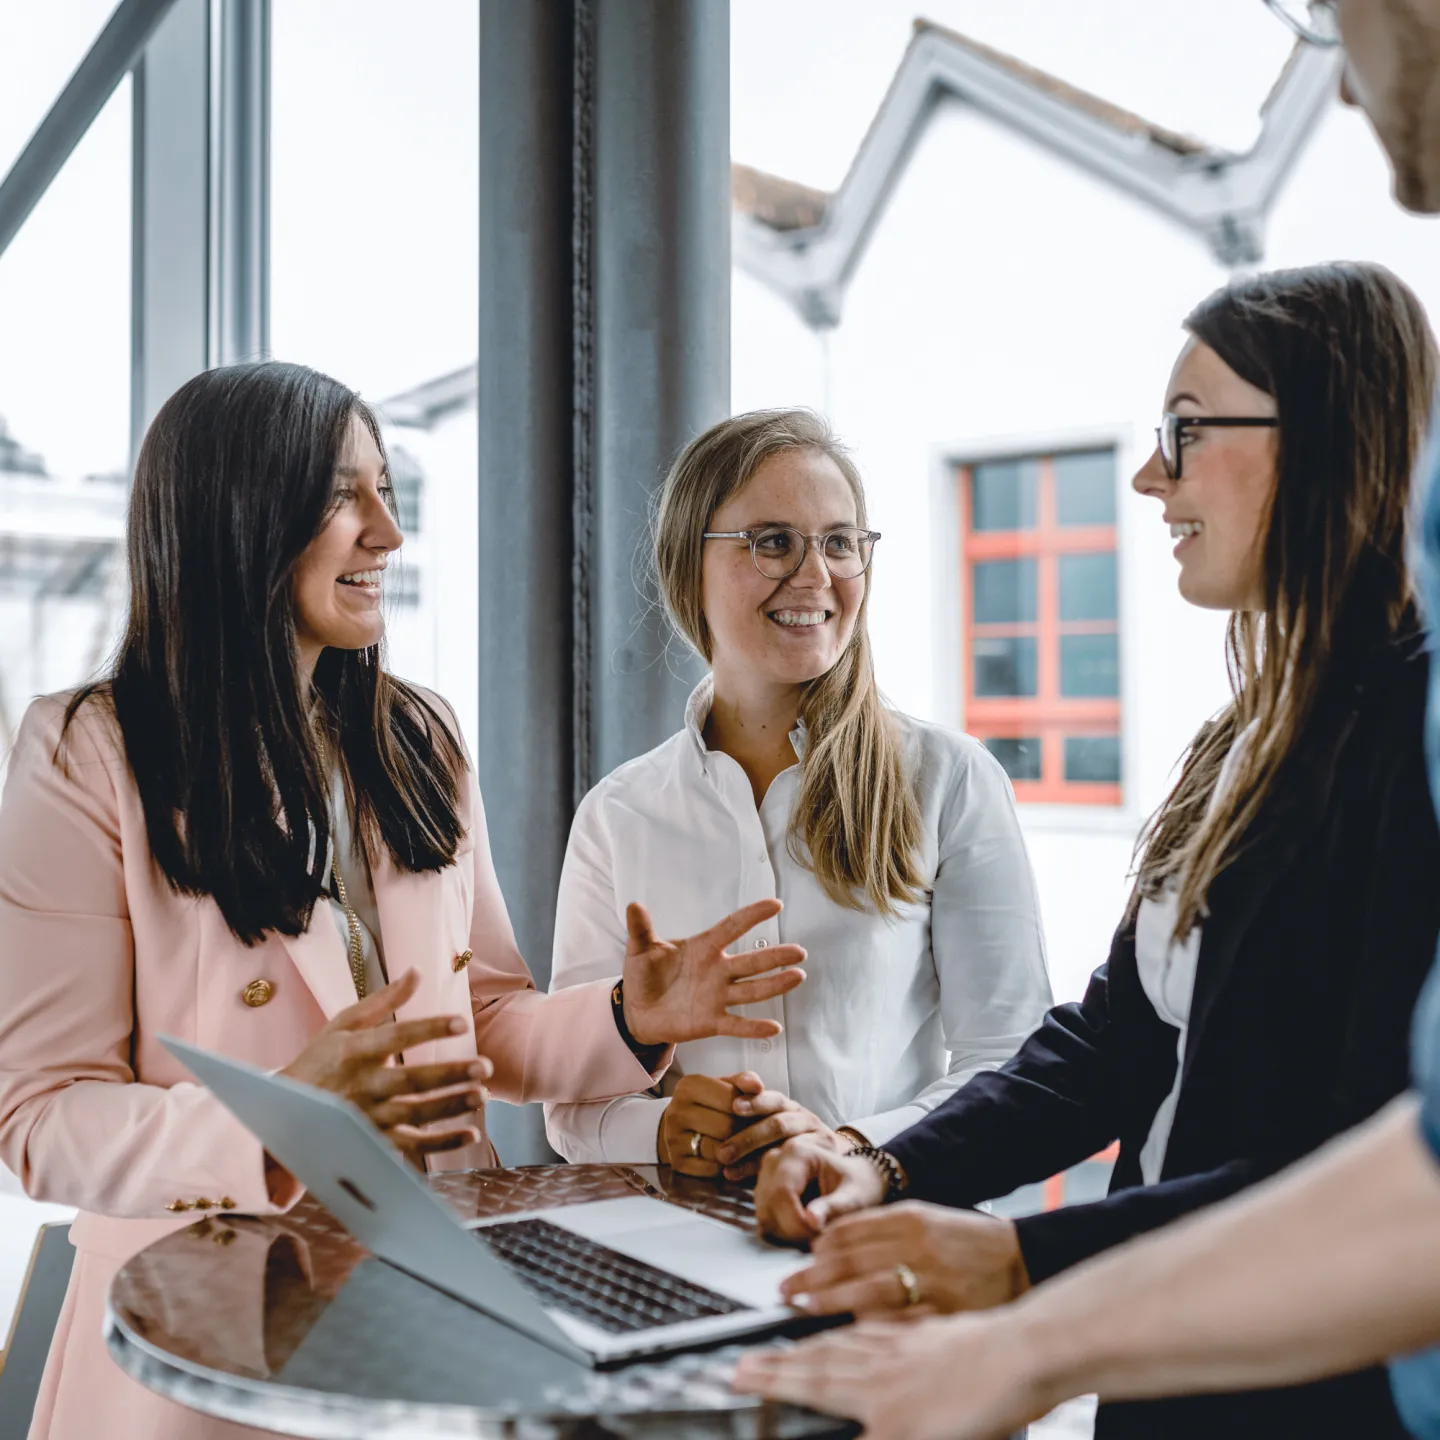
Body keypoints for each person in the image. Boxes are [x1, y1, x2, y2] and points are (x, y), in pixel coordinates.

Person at [0, 362, 807, 1440]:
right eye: (345, 496)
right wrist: (280, 1117)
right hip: (203, 1328)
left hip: (432, 1297)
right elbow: (41, 1116)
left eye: (386, 490)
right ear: (236, 514)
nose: (388, 530)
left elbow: (481, 1031)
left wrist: (628, 1016)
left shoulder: (414, 734)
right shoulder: (88, 752)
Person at [742, 259, 1440, 1439]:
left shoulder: (1412, 737)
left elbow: (1358, 1159)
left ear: (1318, 435)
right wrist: (888, 1167)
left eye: (1183, 432)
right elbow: (1112, 1044)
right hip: (1170, 1377)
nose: (1147, 475)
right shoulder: (1254, 727)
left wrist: (1024, 1262)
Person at [542, 409, 1052, 1182]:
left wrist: (851, 1146)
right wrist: (666, 1128)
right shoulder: (619, 816)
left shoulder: (949, 779)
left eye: (840, 543)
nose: (816, 576)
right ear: (690, 564)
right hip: (678, 1248)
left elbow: (1010, 1063)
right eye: (772, 542)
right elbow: (573, 1108)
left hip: (882, 1235)